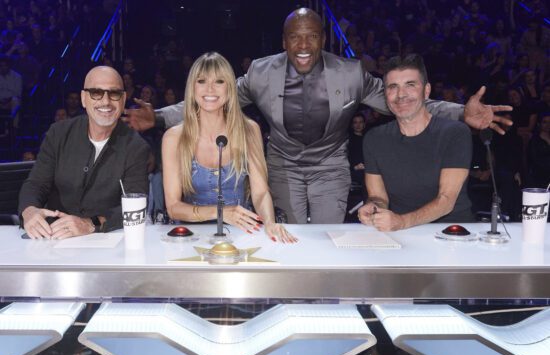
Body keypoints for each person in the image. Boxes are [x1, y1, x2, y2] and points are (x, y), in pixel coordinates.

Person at [125, 8, 512, 224]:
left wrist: (462, 112)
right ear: (284, 42)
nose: (304, 44)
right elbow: (212, 97)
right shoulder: (261, 73)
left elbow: (401, 100)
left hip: (329, 165)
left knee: (326, 236)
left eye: (312, 35)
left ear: (323, 38)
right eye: (296, 36)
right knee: (291, 235)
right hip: (284, 164)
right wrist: (158, 118)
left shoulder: (350, 73)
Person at [162, 52, 296, 243]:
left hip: (242, 233)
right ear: (192, 88)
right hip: (192, 236)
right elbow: (173, 207)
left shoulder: (248, 130)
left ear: (230, 88)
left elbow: (260, 192)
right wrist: (221, 212)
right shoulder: (174, 137)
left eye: (219, 81)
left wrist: (269, 222)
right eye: (201, 81)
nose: (210, 89)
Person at [18, 66, 150, 239]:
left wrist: (90, 223)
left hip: (106, 243)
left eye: (114, 93)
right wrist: (29, 211)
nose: (106, 101)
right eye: (96, 92)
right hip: (53, 240)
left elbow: (135, 206)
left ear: (123, 99)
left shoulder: (136, 146)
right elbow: (36, 184)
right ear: (83, 98)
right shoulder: (58, 133)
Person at [358, 54, 474, 231]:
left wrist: (401, 222)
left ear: (426, 91)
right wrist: (374, 207)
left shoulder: (455, 133)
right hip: (400, 234)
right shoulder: (374, 138)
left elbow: (446, 200)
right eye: (393, 87)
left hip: (452, 233)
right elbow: (378, 197)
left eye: (410, 85)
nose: (401, 95)